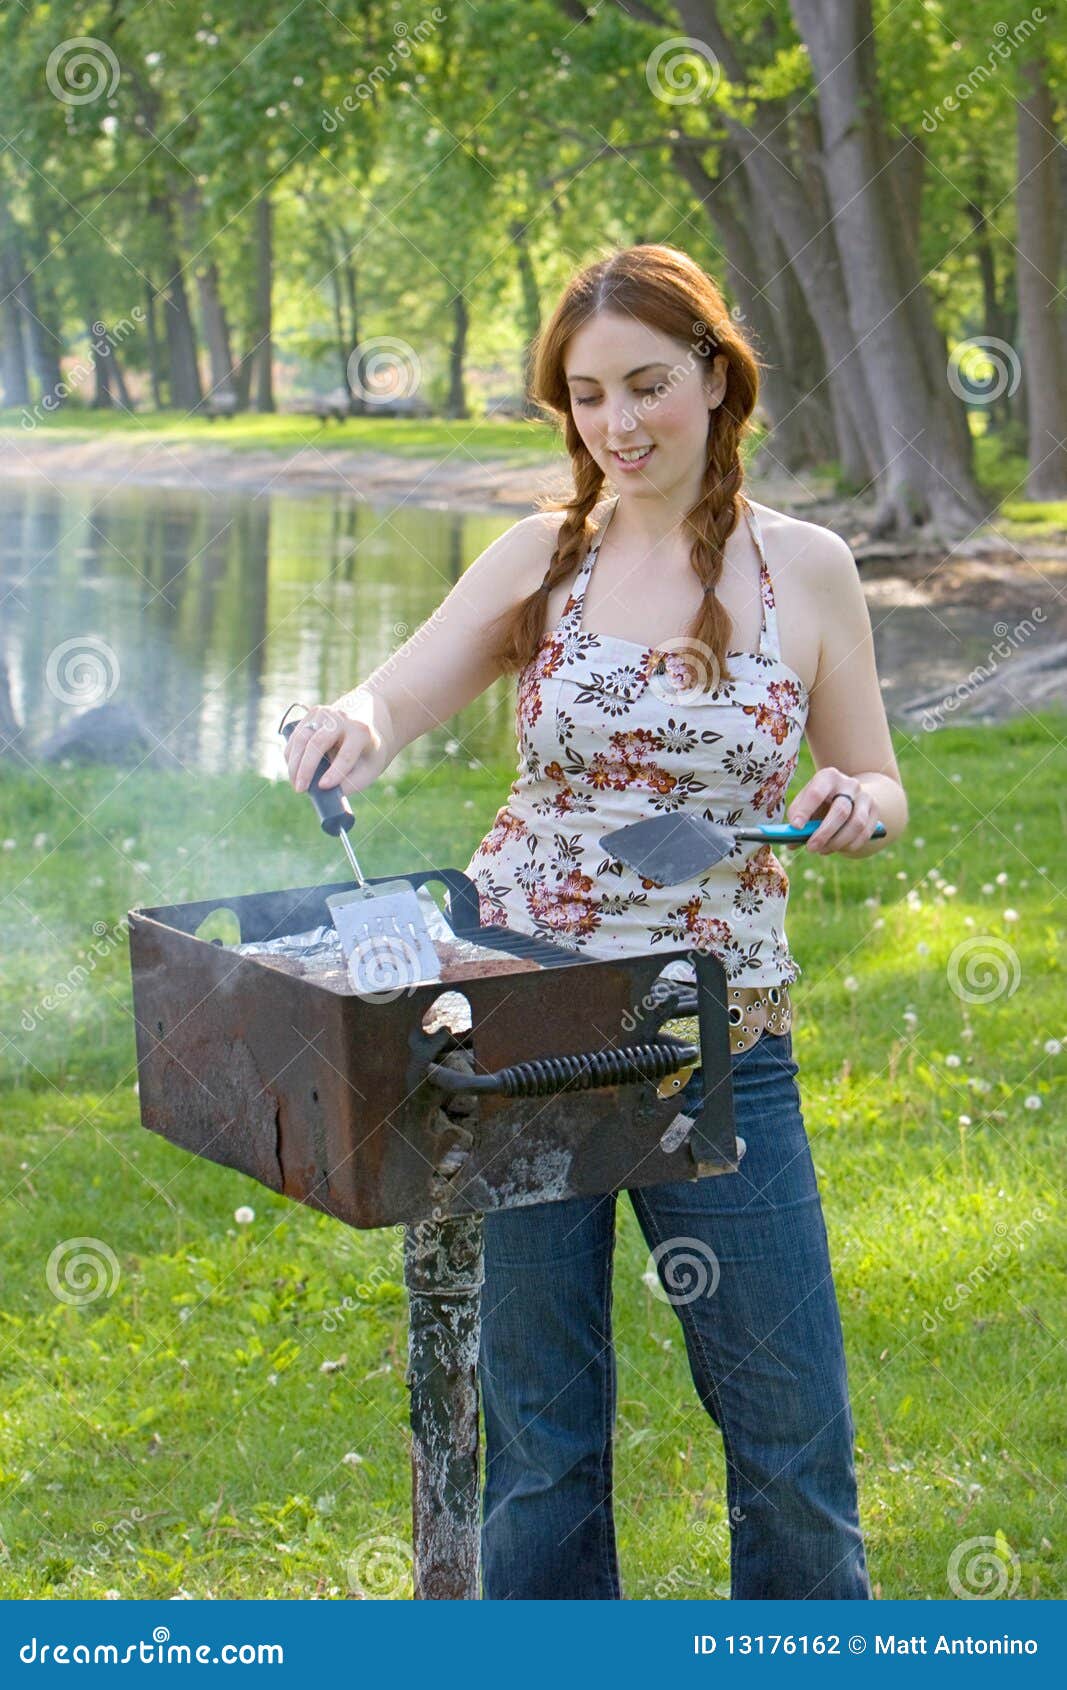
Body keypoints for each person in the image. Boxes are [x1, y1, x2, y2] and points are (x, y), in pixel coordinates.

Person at [284, 243, 908, 1601]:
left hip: (718, 1034)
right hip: (523, 1033)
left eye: (647, 384)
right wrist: (350, 722)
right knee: (545, 1446)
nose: (620, 426)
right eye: (586, 396)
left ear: (715, 378)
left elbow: (876, 773)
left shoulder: (806, 571)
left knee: (791, 1433)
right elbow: (397, 697)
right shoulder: (539, 559)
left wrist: (855, 799)